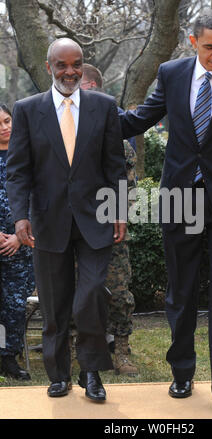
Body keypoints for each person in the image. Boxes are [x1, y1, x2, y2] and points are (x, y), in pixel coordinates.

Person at [119, 9, 212, 412]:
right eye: (210, 46)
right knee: (182, 292)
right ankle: (182, 374)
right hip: (180, 198)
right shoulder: (171, 73)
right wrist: (91, 114)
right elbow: (140, 119)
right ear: (193, 42)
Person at [6, 38, 127, 402]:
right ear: (49, 67)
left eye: (76, 64)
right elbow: (17, 171)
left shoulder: (104, 107)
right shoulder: (27, 110)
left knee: (88, 297)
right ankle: (59, 375)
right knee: (55, 304)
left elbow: (114, 165)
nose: (70, 71)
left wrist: (120, 209)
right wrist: (20, 217)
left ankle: (91, 372)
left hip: (96, 220)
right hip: (47, 221)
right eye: (62, 65)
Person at [81, 63, 138, 376]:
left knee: (118, 293)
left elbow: (127, 188)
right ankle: (79, 347)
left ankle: (123, 351)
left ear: (93, 88)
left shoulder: (118, 140)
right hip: (76, 228)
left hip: (111, 227)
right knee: (78, 291)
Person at [0, 104, 35, 380]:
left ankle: (8, 357)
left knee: (14, 305)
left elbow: (42, 197)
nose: (4, 127)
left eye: (7, 120)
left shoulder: (28, 155)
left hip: (21, 246)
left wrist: (19, 238)